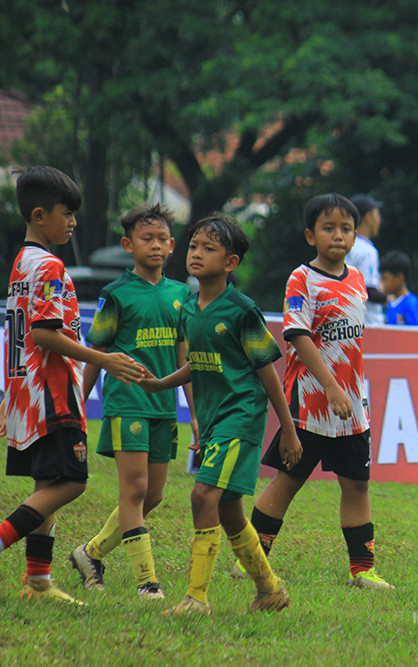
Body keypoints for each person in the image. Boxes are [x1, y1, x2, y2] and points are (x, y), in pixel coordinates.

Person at [139, 213, 302, 615]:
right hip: (214, 419)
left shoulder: (242, 310)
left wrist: (288, 428)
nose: (196, 254)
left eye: (208, 248)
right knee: (228, 508)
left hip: (240, 416)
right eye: (193, 245)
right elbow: (201, 361)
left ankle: (196, 598)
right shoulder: (190, 307)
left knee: (202, 495)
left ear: (231, 262)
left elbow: (267, 371)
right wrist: (163, 383)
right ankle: (269, 589)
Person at [1, 166, 145, 604]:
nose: (74, 222)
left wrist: (9, 393)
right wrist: (105, 359)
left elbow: (17, 336)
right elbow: (45, 334)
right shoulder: (48, 265)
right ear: (40, 215)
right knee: (70, 483)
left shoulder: (21, 262)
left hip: (29, 391)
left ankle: (39, 581)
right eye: (67, 214)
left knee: (47, 481)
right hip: (53, 392)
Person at [241, 193, 395, 590]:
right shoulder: (302, 279)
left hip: (352, 405)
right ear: (311, 235)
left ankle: (362, 571)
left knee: (356, 484)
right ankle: (252, 560)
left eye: (346, 229)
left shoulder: (358, 280)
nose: (338, 236)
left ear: (355, 236)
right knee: (289, 480)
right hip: (310, 402)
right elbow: (296, 333)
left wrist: (346, 391)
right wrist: (329, 386)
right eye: (329, 228)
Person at [68, 204, 194, 600]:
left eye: (162, 239)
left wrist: (198, 414)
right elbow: (98, 349)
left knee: (153, 496)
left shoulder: (180, 295)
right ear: (128, 245)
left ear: (172, 245)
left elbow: (184, 359)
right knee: (135, 491)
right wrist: (79, 404)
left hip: (163, 409)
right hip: (126, 403)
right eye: (146, 238)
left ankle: (89, 554)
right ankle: (147, 583)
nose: (155, 245)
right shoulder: (115, 294)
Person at [345, 193, 386, 325]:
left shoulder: (342, 245)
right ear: (368, 217)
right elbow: (369, 291)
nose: (379, 219)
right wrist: (387, 296)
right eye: (377, 214)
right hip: (367, 323)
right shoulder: (367, 251)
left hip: (344, 321)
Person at [380, 250, 418, 326]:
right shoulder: (390, 304)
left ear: (399, 277)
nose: (382, 283)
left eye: (385, 278)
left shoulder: (411, 303)